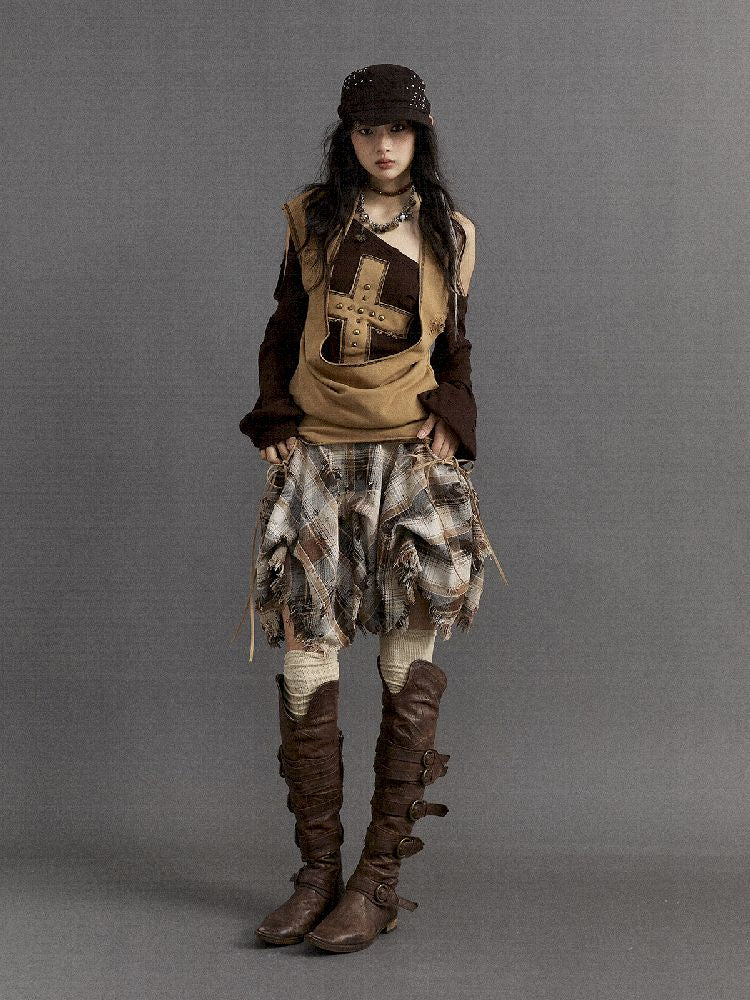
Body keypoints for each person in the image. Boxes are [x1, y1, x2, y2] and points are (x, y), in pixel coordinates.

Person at [233, 64, 508, 954]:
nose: (383, 146)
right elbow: (284, 330)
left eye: (399, 130)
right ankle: (317, 874)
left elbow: (455, 348)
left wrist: (452, 419)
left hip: (411, 469)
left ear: (420, 137)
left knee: (403, 654)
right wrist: (275, 416)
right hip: (319, 456)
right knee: (307, 653)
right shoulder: (313, 220)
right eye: (367, 130)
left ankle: (376, 880)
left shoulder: (450, 233)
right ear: (346, 136)